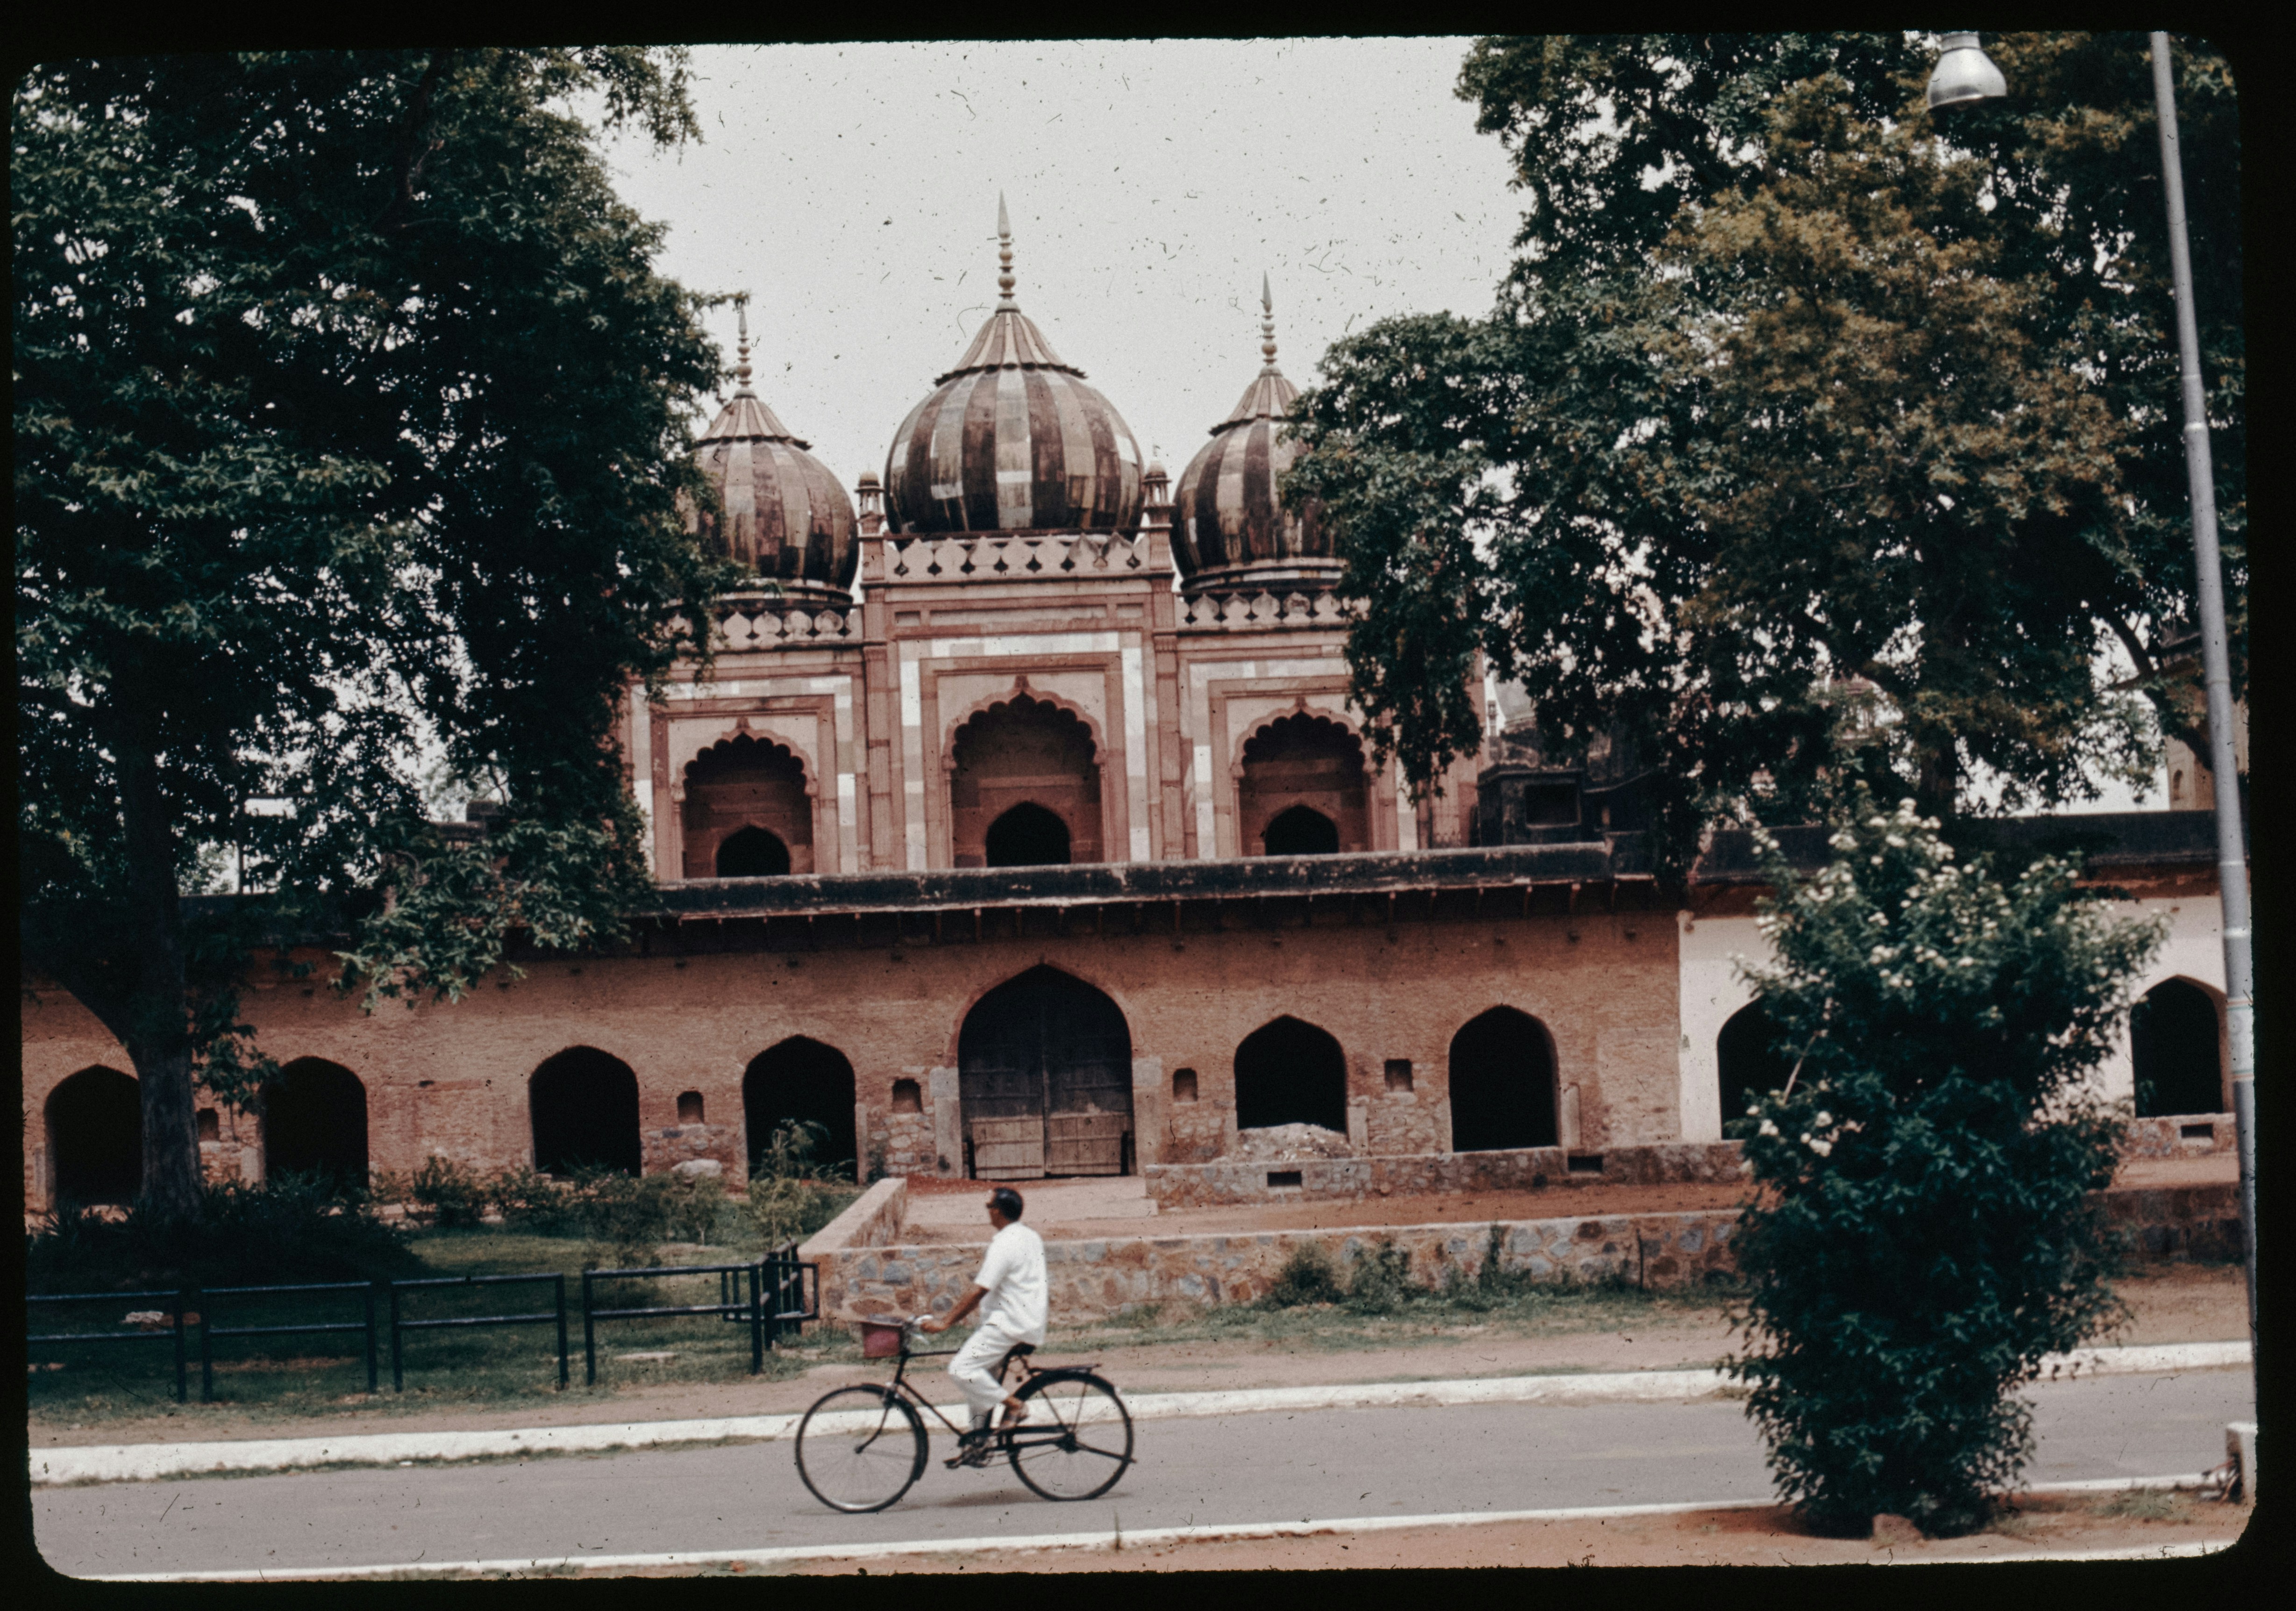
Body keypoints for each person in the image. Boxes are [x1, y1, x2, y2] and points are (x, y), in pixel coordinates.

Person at [920, 1185, 1046, 1462]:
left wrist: (945, 1323)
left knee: (961, 1369)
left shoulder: (1004, 1243)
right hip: (1025, 1322)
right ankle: (978, 1445)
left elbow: (980, 1290)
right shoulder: (1029, 1236)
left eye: (988, 1207)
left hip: (1008, 1324)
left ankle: (1014, 1406)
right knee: (979, 1379)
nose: (987, 1212)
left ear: (997, 1211)